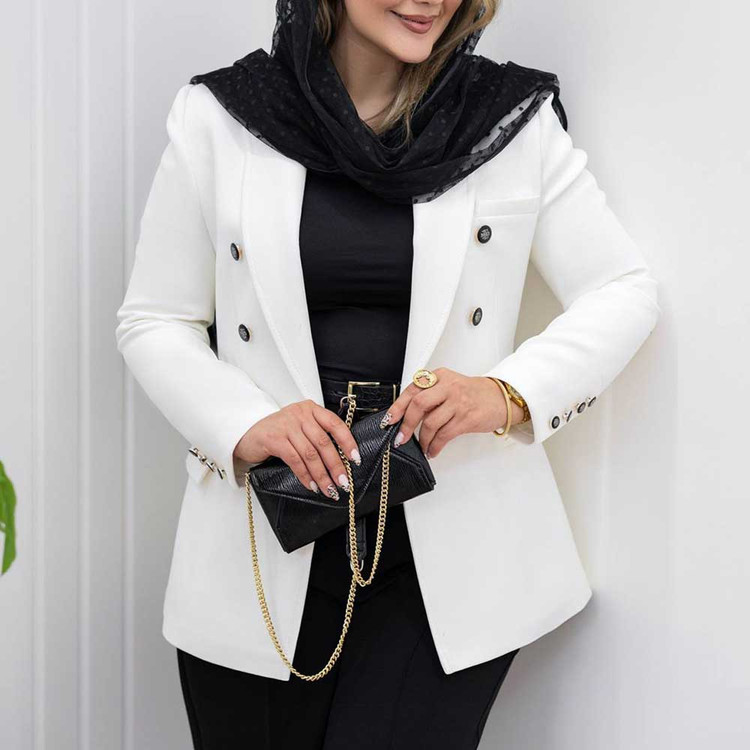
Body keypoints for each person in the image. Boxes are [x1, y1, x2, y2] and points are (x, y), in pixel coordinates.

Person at [115, 1, 661, 747]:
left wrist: (504, 395)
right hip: (268, 533)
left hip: (450, 544)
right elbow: (154, 318)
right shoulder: (222, 115)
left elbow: (622, 288)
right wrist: (246, 424)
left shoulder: (507, 118)